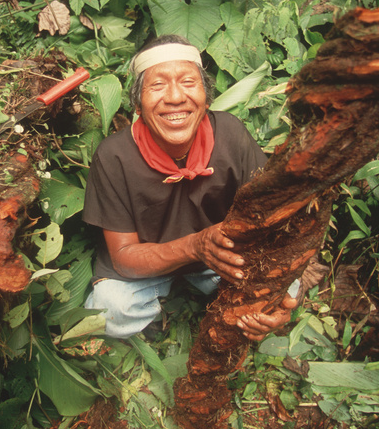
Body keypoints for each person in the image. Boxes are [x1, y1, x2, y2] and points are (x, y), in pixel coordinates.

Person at [82, 34, 298, 340]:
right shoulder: (114, 156)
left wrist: (276, 296)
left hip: (221, 260)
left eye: (188, 82)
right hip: (149, 267)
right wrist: (195, 246)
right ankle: (164, 303)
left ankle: (236, 312)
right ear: (138, 103)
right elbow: (124, 257)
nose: (174, 97)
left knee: (284, 282)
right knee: (108, 311)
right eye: (157, 86)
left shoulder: (231, 135)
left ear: (206, 97)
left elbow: (270, 221)